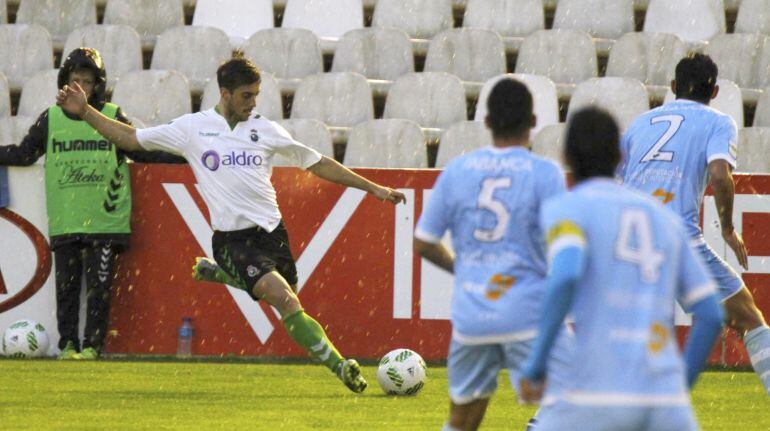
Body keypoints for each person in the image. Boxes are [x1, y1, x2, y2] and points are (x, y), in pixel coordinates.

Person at [56, 55, 406, 393]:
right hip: (232, 241)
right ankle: (340, 365)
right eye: (246, 95)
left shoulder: (265, 129)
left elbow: (316, 162)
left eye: (256, 95)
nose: (253, 102)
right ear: (224, 93)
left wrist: (371, 188)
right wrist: (86, 111)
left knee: (285, 297)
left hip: (273, 234)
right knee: (285, 300)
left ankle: (224, 275)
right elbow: (131, 139)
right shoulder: (193, 129)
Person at [519, 107, 724, 430]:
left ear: (566, 156)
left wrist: (536, 363)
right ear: (619, 155)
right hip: (665, 402)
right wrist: (678, 389)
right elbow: (711, 314)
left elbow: (566, 276)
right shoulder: (665, 220)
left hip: (597, 391)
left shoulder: (567, 208)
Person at [0, 47, 185, 360]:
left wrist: (184, 158)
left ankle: (92, 347)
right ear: (64, 82)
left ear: (97, 85)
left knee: (99, 290)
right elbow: (24, 154)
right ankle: (68, 345)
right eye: (75, 80)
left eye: (86, 81)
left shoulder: (112, 117)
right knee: (66, 290)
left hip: (104, 221)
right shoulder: (51, 118)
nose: (80, 87)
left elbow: (141, 151)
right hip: (66, 219)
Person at [413, 78, 573, 431]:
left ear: (486, 122)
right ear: (533, 122)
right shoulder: (545, 174)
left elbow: (423, 242)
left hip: (473, 316)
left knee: (462, 420)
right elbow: (566, 252)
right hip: (528, 312)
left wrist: (465, 268)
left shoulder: (458, 171)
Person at [618, 53, 770, 395]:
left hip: (628, 240)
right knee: (748, 317)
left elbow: (614, 184)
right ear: (714, 91)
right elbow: (720, 174)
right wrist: (728, 229)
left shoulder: (640, 124)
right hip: (677, 238)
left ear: (673, 87)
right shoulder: (718, 122)